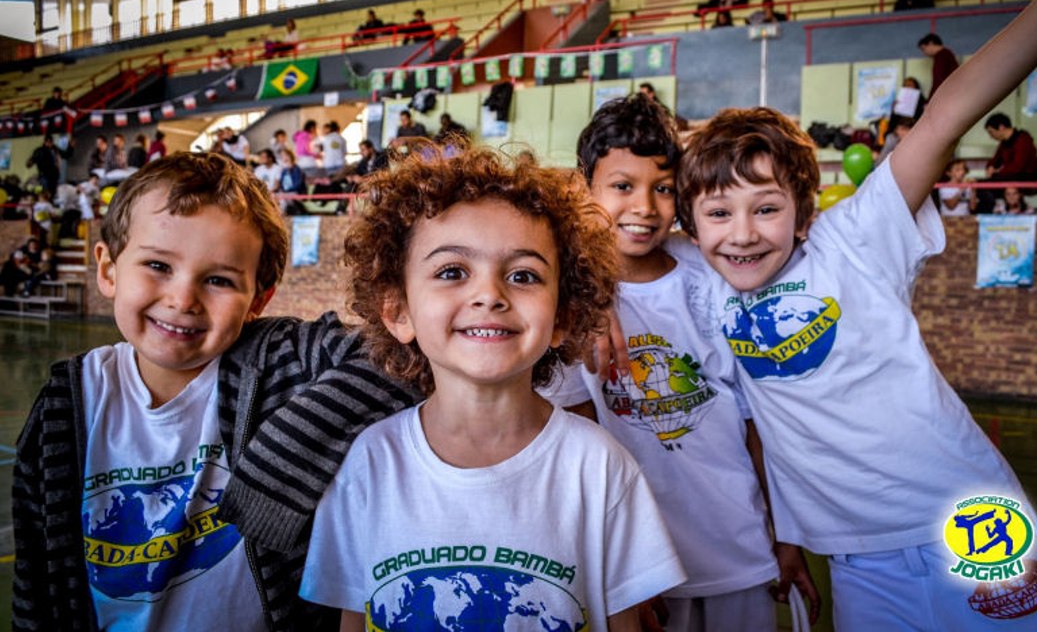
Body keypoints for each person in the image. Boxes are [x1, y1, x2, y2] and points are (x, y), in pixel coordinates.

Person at [667, 0, 1037, 627]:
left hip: (973, 523)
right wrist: (785, 534)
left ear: (804, 213)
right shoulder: (702, 278)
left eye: (766, 208)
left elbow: (946, 116)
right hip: (856, 561)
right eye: (718, 213)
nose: (742, 232)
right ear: (693, 224)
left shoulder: (854, 239)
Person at [12, 152, 418, 630]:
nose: (183, 299)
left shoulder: (284, 359)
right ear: (108, 269)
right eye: (158, 265)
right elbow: (37, 586)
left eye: (219, 280)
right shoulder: (66, 403)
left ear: (259, 298)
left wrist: (281, 458)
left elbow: (401, 356)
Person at [293, 146, 686, 631]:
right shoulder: (369, 463)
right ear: (399, 312)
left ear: (563, 316)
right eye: (452, 272)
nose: (489, 295)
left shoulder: (599, 468)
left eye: (523, 275)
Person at [545, 95, 819, 631]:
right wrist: (612, 564)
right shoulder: (571, 302)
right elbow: (577, 444)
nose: (645, 206)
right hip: (642, 565)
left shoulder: (715, 276)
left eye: (664, 188)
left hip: (739, 549)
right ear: (586, 191)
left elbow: (756, 424)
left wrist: (787, 535)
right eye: (622, 186)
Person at [918, 33, 960, 98]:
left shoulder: (942, 56)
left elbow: (938, 80)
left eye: (923, 49)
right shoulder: (946, 54)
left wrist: (931, 100)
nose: (924, 53)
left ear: (931, 43)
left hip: (947, 95)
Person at [276, 148, 308, 216]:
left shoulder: (297, 169)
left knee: (283, 199)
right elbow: (282, 184)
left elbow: (298, 185)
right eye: (282, 156)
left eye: (284, 155)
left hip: (296, 192)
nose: (283, 158)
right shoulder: (284, 170)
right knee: (276, 197)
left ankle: (281, 215)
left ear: (289, 156)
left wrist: (286, 191)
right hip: (286, 193)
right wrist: (283, 191)